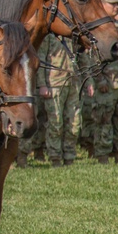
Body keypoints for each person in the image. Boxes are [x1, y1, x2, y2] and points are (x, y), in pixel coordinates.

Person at [80, 0, 118, 164]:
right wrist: (99, 79)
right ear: (102, 5)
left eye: (117, 3)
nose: (117, 6)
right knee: (103, 121)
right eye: (112, 3)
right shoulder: (95, 30)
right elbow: (89, 57)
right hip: (106, 83)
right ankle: (102, 157)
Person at [36, 32, 84, 167]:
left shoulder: (74, 35)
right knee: (55, 123)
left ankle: (69, 157)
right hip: (54, 84)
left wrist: (89, 81)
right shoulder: (49, 36)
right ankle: (55, 158)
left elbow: (82, 58)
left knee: (74, 123)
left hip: (73, 83)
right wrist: (42, 85)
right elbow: (40, 60)